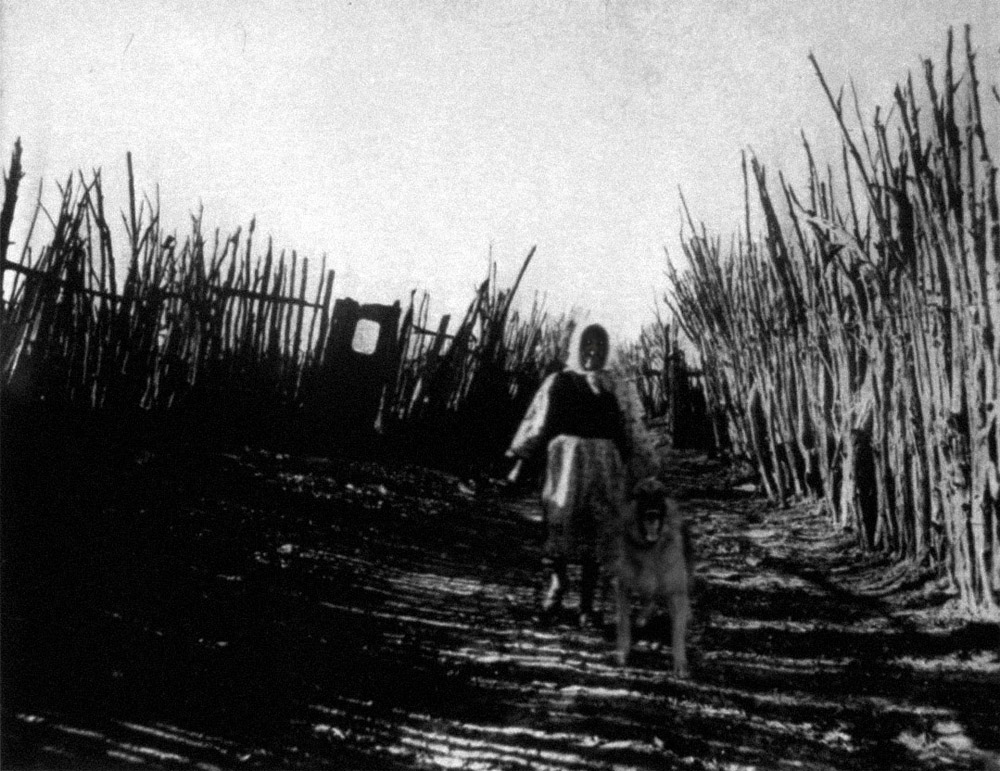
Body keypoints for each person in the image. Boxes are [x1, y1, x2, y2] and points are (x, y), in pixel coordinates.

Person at [506, 322, 632, 626]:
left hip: (604, 467)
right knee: (559, 521)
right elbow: (540, 423)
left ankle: (587, 605)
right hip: (565, 465)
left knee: (596, 529)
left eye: (600, 344)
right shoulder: (559, 382)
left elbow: (627, 429)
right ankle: (557, 586)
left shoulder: (614, 387)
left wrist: (635, 468)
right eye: (588, 343)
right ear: (577, 346)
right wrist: (521, 461)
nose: (594, 350)